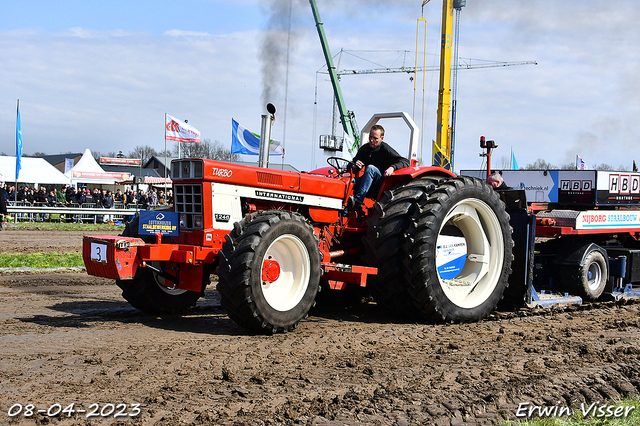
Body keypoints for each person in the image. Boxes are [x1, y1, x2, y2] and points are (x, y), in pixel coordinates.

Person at [348, 124, 409, 212]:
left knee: (370, 168)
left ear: (382, 138)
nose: (372, 140)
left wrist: (392, 167)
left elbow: (405, 162)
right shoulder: (365, 149)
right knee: (349, 181)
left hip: (380, 182)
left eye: (375, 138)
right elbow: (351, 165)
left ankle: (357, 203)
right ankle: (345, 210)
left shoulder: (385, 149)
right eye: (370, 137)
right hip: (367, 180)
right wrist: (354, 166)